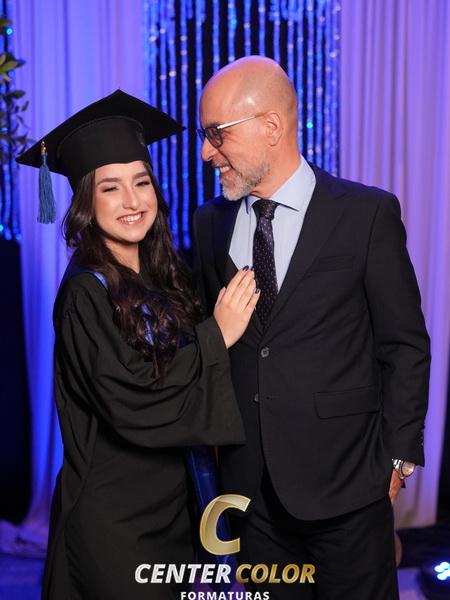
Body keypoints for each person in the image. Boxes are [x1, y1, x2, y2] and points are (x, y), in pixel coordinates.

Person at [193, 56, 430, 599]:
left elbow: (404, 345)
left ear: (272, 126)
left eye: (217, 134)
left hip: (350, 486)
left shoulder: (366, 214)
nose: (207, 152)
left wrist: (398, 458)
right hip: (251, 496)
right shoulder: (210, 223)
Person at [17, 90, 259, 600]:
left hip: (172, 511)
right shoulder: (85, 293)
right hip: (115, 521)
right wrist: (217, 334)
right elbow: (132, 399)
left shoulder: (163, 277)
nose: (132, 201)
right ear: (86, 204)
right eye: (111, 188)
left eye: (141, 182)